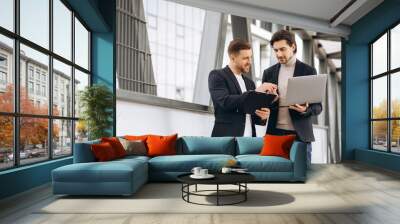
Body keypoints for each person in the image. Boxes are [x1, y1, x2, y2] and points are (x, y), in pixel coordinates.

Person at [261, 30, 322, 166]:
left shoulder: (308, 71)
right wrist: (271, 101)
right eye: (275, 50)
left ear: (293, 46)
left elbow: (318, 107)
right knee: (274, 173)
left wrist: (305, 109)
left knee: (302, 175)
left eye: (282, 49)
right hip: (275, 134)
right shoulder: (269, 73)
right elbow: (263, 105)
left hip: (300, 134)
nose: (278, 54)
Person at [208, 39, 273, 137]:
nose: (250, 62)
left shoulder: (250, 83)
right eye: (245, 58)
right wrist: (254, 93)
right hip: (226, 139)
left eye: (250, 57)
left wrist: (263, 116)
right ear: (233, 58)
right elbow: (224, 102)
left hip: (249, 139)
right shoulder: (217, 75)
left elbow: (253, 116)